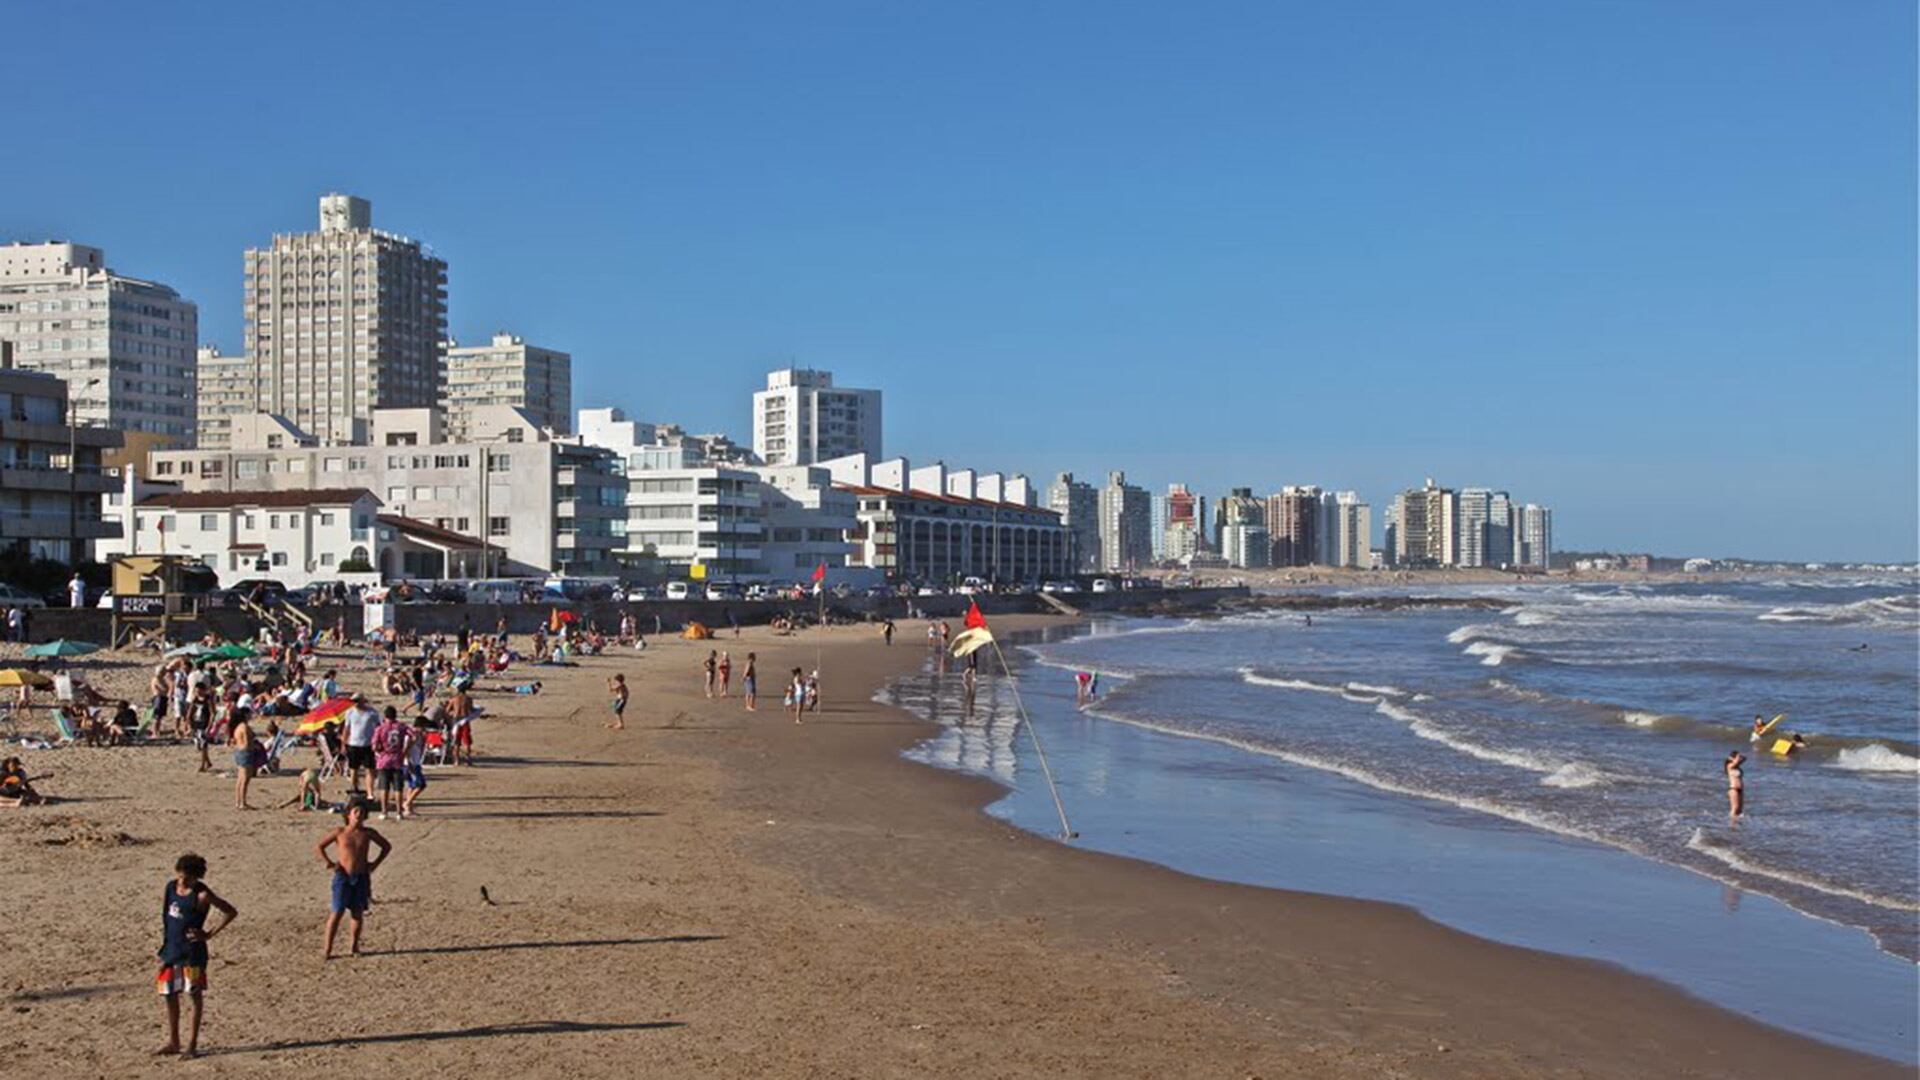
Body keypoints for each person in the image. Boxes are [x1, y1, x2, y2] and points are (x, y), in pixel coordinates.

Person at [154, 853, 237, 1059]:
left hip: (192, 954)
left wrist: (208, 934)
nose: (181, 881)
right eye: (179, 876)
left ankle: (191, 1044)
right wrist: (165, 950)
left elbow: (230, 911)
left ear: (195, 877)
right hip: (172, 950)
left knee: (193, 996)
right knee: (169, 995)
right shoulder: (170, 888)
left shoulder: (202, 895)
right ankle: (174, 1041)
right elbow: (167, 919)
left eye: (186, 878)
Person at [317, 802, 391, 960]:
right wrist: (329, 863)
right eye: (355, 811)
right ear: (348, 814)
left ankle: (354, 947)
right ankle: (327, 949)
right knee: (337, 912)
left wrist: (375, 864)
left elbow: (386, 846)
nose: (359, 814)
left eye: (362, 812)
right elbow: (320, 847)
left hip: (361, 876)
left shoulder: (368, 833)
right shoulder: (340, 832)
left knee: (357, 913)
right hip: (343, 876)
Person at [371, 706, 412, 820]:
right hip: (397, 758)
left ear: (385, 716)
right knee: (398, 788)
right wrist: (406, 749)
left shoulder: (380, 728)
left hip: (384, 759)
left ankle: (384, 811)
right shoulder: (401, 727)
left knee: (384, 788)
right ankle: (399, 812)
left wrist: (379, 751)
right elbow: (412, 735)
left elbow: (374, 746)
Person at [341, 693, 380, 795]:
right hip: (353, 744)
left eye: (358, 700)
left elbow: (378, 728)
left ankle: (370, 792)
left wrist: (378, 742)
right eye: (354, 701)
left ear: (363, 700)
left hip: (368, 744)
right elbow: (346, 729)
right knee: (354, 769)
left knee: (370, 769)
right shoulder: (349, 712)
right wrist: (343, 744)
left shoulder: (372, 712)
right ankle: (354, 788)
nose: (356, 703)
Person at [228, 707, 262, 810]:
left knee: (240, 778)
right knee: (245, 779)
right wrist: (256, 747)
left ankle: (238, 801)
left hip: (239, 752)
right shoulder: (244, 727)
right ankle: (242, 802)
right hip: (245, 753)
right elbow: (247, 743)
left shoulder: (237, 727)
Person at [402, 718, 430, 817]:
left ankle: (409, 809)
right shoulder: (411, 734)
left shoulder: (418, 735)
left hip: (415, 762)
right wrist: (407, 761)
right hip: (410, 763)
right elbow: (405, 749)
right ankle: (407, 803)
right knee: (421, 785)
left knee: (412, 785)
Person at [1725, 751, 1745, 820]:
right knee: (1735, 808)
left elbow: (1745, 759)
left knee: (1740, 810)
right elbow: (1736, 762)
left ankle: (1738, 826)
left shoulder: (1738, 767)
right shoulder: (1729, 766)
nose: (1739, 758)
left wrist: (1741, 756)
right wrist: (1732, 759)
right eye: (1738, 757)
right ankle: (1732, 824)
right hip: (1734, 789)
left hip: (1740, 790)